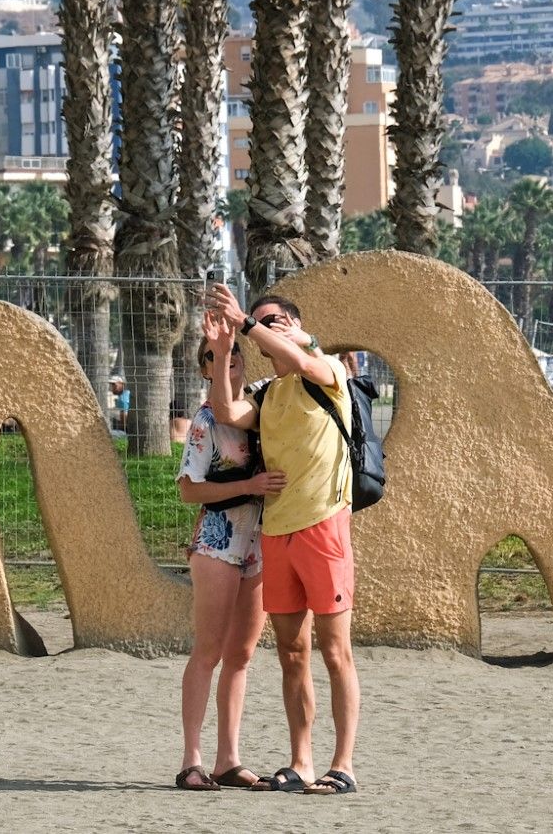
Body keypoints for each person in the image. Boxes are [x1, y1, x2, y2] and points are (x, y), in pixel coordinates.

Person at [206, 285, 360, 796]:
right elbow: (226, 413)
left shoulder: (327, 371)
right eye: (258, 322)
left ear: (295, 326)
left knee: (335, 653)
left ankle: (344, 766)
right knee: (292, 652)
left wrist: (252, 325)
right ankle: (302, 762)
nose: (263, 328)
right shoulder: (269, 393)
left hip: (324, 525)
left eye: (273, 321)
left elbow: (302, 356)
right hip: (277, 531)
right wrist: (226, 347)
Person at [173, 328, 283, 793]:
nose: (227, 358)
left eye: (234, 351)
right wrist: (247, 487)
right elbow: (188, 489)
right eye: (214, 355)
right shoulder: (204, 422)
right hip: (218, 540)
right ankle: (191, 760)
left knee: (241, 655)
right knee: (209, 651)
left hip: (258, 542)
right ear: (203, 367)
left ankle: (228, 759)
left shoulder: (259, 411)